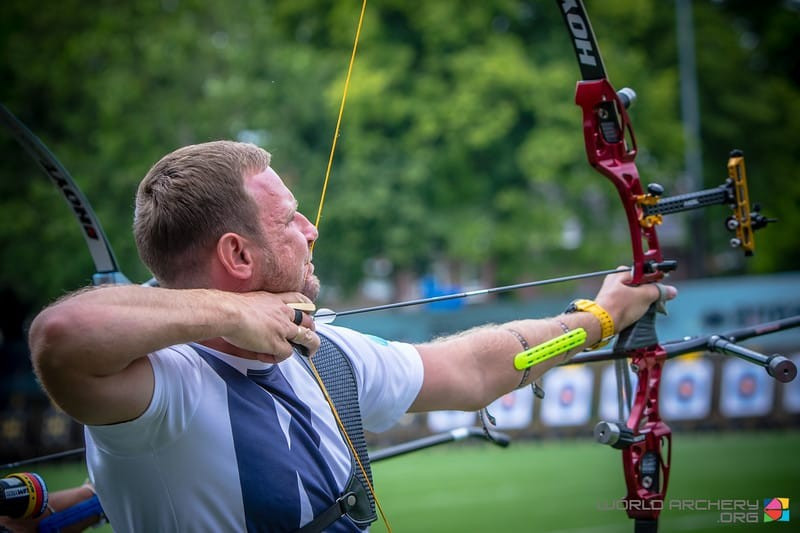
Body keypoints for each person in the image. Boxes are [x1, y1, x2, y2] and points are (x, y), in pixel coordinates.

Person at [27, 141, 675, 532]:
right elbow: (60, 333)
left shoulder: (319, 352)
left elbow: (473, 369)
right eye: (288, 218)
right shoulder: (161, 387)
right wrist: (229, 316)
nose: (311, 229)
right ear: (238, 254)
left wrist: (596, 319)